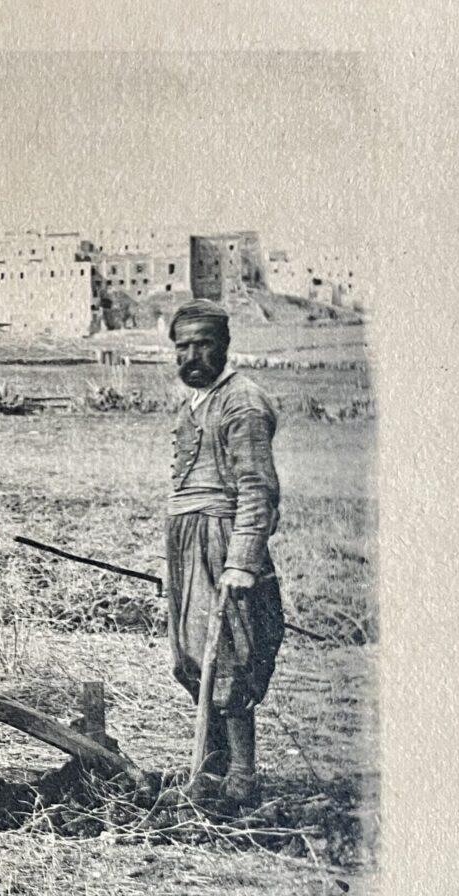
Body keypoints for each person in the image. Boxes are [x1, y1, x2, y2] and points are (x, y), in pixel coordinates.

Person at [166, 299, 285, 804]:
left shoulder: (242, 403)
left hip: (222, 541)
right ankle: (211, 768)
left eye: (203, 344)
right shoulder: (193, 403)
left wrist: (241, 563)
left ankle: (241, 778)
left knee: (229, 657)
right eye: (183, 346)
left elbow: (257, 488)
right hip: (187, 541)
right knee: (192, 658)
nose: (192, 356)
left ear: (225, 345)